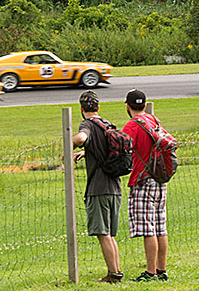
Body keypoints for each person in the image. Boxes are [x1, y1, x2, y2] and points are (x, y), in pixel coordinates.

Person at [71, 91, 123, 283]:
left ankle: (114, 275)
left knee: (103, 233)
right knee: (111, 233)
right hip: (115, 187)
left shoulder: (87, 124)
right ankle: (116, 270)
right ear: (98, 107)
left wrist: (70, 147)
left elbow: (81, 138)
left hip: (98, 188)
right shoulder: (108, 124)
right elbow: (104, 148)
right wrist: (86, 154)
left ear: (82, 108)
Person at [121, 89, 170, 282]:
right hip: (159, 177)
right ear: (144, 104)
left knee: (148, 228)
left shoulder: (132, 126)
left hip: (142, 179)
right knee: (160, 226)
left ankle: (150, 272)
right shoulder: (153, 119)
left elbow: (120, 148)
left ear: (127, 105)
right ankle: (161, 269)